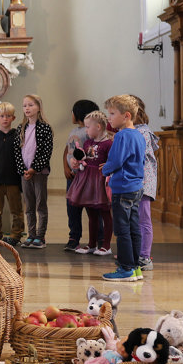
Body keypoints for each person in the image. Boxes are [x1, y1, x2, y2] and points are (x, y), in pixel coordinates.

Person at [101, 94, 146, 282]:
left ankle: (125, 268)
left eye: (112, 114)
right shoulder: (139, 135)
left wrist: (105, 169)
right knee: (133, 228)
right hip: (136, 188)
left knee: (121, 230)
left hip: (122, 188)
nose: (109, 118)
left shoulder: (121, 136)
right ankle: (135, 268)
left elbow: (116, 161)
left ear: (126, 115)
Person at [67, 110, 113, 256]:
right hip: (88, 181)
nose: (85, 130)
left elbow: (112, 161)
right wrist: (76, 162)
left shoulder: (108, 144)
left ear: (98, 127)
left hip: (101, 182)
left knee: (105, 213)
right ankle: (92, 244)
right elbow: (84, 159)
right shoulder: (87, 143)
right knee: (91, 214)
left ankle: (106, 245)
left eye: (88, 127)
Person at [13, 94, 53, 249]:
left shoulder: (45, 128)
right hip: (25, 173)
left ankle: (40, 237)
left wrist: (34, 169)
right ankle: (31, 235)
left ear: (38, 107)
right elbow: (17, 151)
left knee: (40, 204)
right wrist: (24, 170)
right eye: (24, 105)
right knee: (28, 206)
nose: (27, 108)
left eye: (30, 105)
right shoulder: (21, 128)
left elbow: (46, 151)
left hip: (39, 173)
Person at [63, 99, 100, 252]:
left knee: (93, 208)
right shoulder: (73, 131)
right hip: (73, 177)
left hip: (87, 177)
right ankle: (74, 237)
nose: (71, 114)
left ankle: (99, 238)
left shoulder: (89, 132)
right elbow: (67, 150)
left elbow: (93, 153)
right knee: (72, 207)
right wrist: (65, 167)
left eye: (73, 111)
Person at [0, 102, 24, 246]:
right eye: (2, 116)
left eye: (8, 116)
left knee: (16, 209)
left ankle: (16, 234)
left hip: (13, 179)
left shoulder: (17, 135)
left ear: (13, 118)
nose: (5, 119)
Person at [133, 97, 159, 271]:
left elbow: (138, 157)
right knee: (134, 220)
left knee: (143, 219)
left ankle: (144, 256)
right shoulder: (134, 131)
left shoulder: (141, 132)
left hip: (143, 182)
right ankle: (135, 252)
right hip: (135, 181)